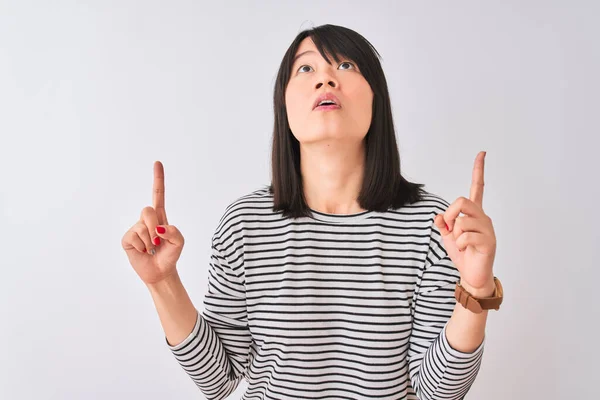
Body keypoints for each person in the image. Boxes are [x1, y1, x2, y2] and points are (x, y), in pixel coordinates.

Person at [121, 24, 503, 400]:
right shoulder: (244, 224)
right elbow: (219, 379)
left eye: (346, 66)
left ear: (377, 99)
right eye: (306, 69)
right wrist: (162, 282)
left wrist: (475, 291)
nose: (325, 80)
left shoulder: (434, 226)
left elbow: (438, 391)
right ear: (283, 103)